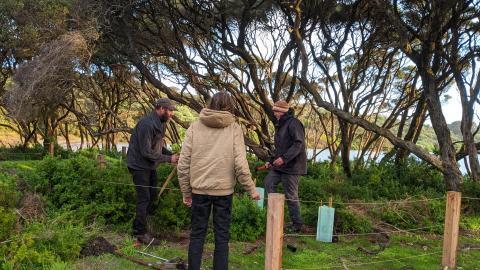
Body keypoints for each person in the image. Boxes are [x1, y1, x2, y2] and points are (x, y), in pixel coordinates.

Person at [177, 92, 260, 270]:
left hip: (199, 191)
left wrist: (186, 191)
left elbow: (183, 163)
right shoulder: (234, 128)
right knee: (222, 237)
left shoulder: (195, 127)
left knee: (197, 235)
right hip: (224, 192)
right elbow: (240, 163)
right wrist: (251, 189)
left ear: (211, 104)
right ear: (230, 106)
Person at [127, 98, 179, 245]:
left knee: (152, 196)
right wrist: (169, 160)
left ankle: (140, 227)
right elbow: (145, 151)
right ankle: (141, 234)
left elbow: (157, 147)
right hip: (139, 165)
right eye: (170, 111)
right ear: (161, 109)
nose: (172, 114)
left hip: (149, 165)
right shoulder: (146, 124)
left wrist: (171, 155)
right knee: (144, 199)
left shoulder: (161, 124)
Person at [264, 100, 307, 233]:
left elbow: (299, 144)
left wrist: (284, 159)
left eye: (275, 110)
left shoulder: (294, 123)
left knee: (291, 195)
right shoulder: (280, 124)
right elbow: (280, 148)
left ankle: (297, 224)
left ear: (282, 111)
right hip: (280, 167)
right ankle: (275, 216)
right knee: (268, 183)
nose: (274, 112)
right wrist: (271, 161)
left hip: (293, 166)